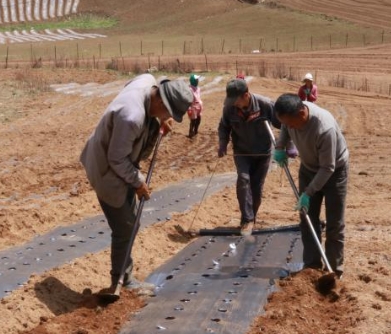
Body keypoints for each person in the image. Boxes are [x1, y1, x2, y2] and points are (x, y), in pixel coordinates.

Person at [80, 74, 193, 291]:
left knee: (132, 222)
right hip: (107, 170)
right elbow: (117, 159)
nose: (169, 117)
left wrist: (160, 124)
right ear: (160, 101)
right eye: (169, 112)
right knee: (126, 226)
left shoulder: (148, 82)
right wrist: (139, 182)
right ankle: (121, 280)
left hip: (119, 159)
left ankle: (125, 274)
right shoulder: (132, 117)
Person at [272, 93, 349, 278]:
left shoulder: (324, 129)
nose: (289, 126)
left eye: (291, 123)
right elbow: (285, 125)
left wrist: (308, 193)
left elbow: (327, 167)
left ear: (301, 114)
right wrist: (281, 146)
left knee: (334, 224)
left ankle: (334, 271)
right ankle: (312, 266)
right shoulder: (291, 116)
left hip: (334, 172)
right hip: (308, 168)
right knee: (307, 219)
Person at [217, 78, 281, 236]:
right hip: (242, 152)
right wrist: (223, 144)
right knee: (244, 180)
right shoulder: (229, 108)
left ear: (246, 95)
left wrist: (287, 144)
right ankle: (247, 220)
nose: (234, 104)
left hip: (262, 153)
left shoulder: (265, 105)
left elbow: (284, 124)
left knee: (256, 189)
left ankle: (251, 216)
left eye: (236, 100)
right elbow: (224, 127)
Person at [187, 73, 203, 138]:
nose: (198, 81)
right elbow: (188, 100)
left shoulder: (198, 88)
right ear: (193, 81)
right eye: (196, 80)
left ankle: (196, 131)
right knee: (193, 121)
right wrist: (189, 109)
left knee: (199, 119)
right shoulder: (189, 89)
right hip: (193, 107)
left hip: (199, 106)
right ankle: (191, 132)